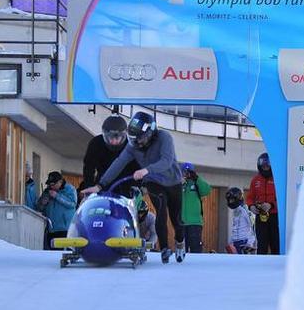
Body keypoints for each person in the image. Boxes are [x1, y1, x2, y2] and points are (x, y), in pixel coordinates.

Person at [82, 112, 186, 263]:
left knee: (177, 219)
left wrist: (146, 170)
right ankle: (164, 248)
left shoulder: (165, 137)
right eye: (133, 139)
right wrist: (100, 185)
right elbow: (118, 163)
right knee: (161, 210)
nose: (137, 142)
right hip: (153, 182)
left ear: (151, 133)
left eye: (140, 138)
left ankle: (180, 242)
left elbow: (167, 161)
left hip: (172, 181)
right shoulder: (133, 146)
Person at [79, 116, 140, 205]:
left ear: (124, 135)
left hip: (126, 186)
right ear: (104, 135)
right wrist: (90, 187)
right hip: (102, 185)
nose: (114, 142)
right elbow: (89, 168)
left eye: (117, 138)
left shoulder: (133, 146)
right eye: (111, 138)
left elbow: (139, 168)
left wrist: (138, 187)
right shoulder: (96, 143)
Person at [247, 152, 280, 255]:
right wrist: (251, 206)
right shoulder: (255, 180)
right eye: (263, 164)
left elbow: (283, 198)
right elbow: (250, 197)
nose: (265, 167)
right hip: (261, 217)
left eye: (268, 164)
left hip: (275, 216)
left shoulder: (278, 179)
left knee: (276, 244)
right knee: (262, 244)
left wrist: (271, 204)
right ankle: (261, 266)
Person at [181, 162, 211, 254]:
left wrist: (197, 178)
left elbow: (206, 190)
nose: (186, 174)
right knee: (181, 248)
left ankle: (196, 267)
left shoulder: (196, 184)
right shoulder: (179, 184)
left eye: (188, 172)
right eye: (184, 172)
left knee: (196, 249)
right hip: (181, 223)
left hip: (195, 222)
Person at [42, 171, 77, 249]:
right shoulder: (47, 191)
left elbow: (72, 204)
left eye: (53, 184)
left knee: (62, 252)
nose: (51, 187)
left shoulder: (70, 189)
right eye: (50, 185)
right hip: (51, 229)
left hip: (65, 229)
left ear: (60, 182)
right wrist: (43, 202)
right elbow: (39, 207)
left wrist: (57, 196)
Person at [225, 187, 256, 254]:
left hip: (243, 243)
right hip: (235, 242)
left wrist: (249, 243)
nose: (230, 202)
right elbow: (236, 227)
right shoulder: (236, 210)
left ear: (238, 198)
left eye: (232, 200)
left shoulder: (246, 210)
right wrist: (231, 242)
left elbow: (254, 226)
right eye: (229, 200)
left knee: (242, 263)